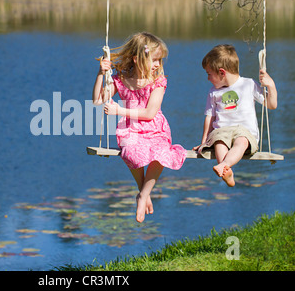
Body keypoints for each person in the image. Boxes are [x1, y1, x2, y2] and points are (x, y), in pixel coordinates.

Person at [92, 32, 186, 223]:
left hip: (155, 128)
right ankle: (144, 192)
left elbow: (150, 113)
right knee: (132, 153)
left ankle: (143, 194)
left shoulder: (158, 82)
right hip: (131, 129)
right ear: (137, 59)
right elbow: (97, 100)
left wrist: (120, 111)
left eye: (160, 60)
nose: (158, 65)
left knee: (161, 153)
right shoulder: (120, 80)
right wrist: (101, 74)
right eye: (155, 60)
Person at [193, 44, 278, 187]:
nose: (208, 79)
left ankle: (225, 164)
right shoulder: (214, 92)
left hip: (244, 131)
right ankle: (227, 172)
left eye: (209, 74)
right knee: (219, 143)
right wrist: (204, 142)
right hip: (221, 131)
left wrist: (271, 86)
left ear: (221, 72)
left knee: (241, 141)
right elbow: (209, 117)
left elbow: (271, 105)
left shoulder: (248, 84)